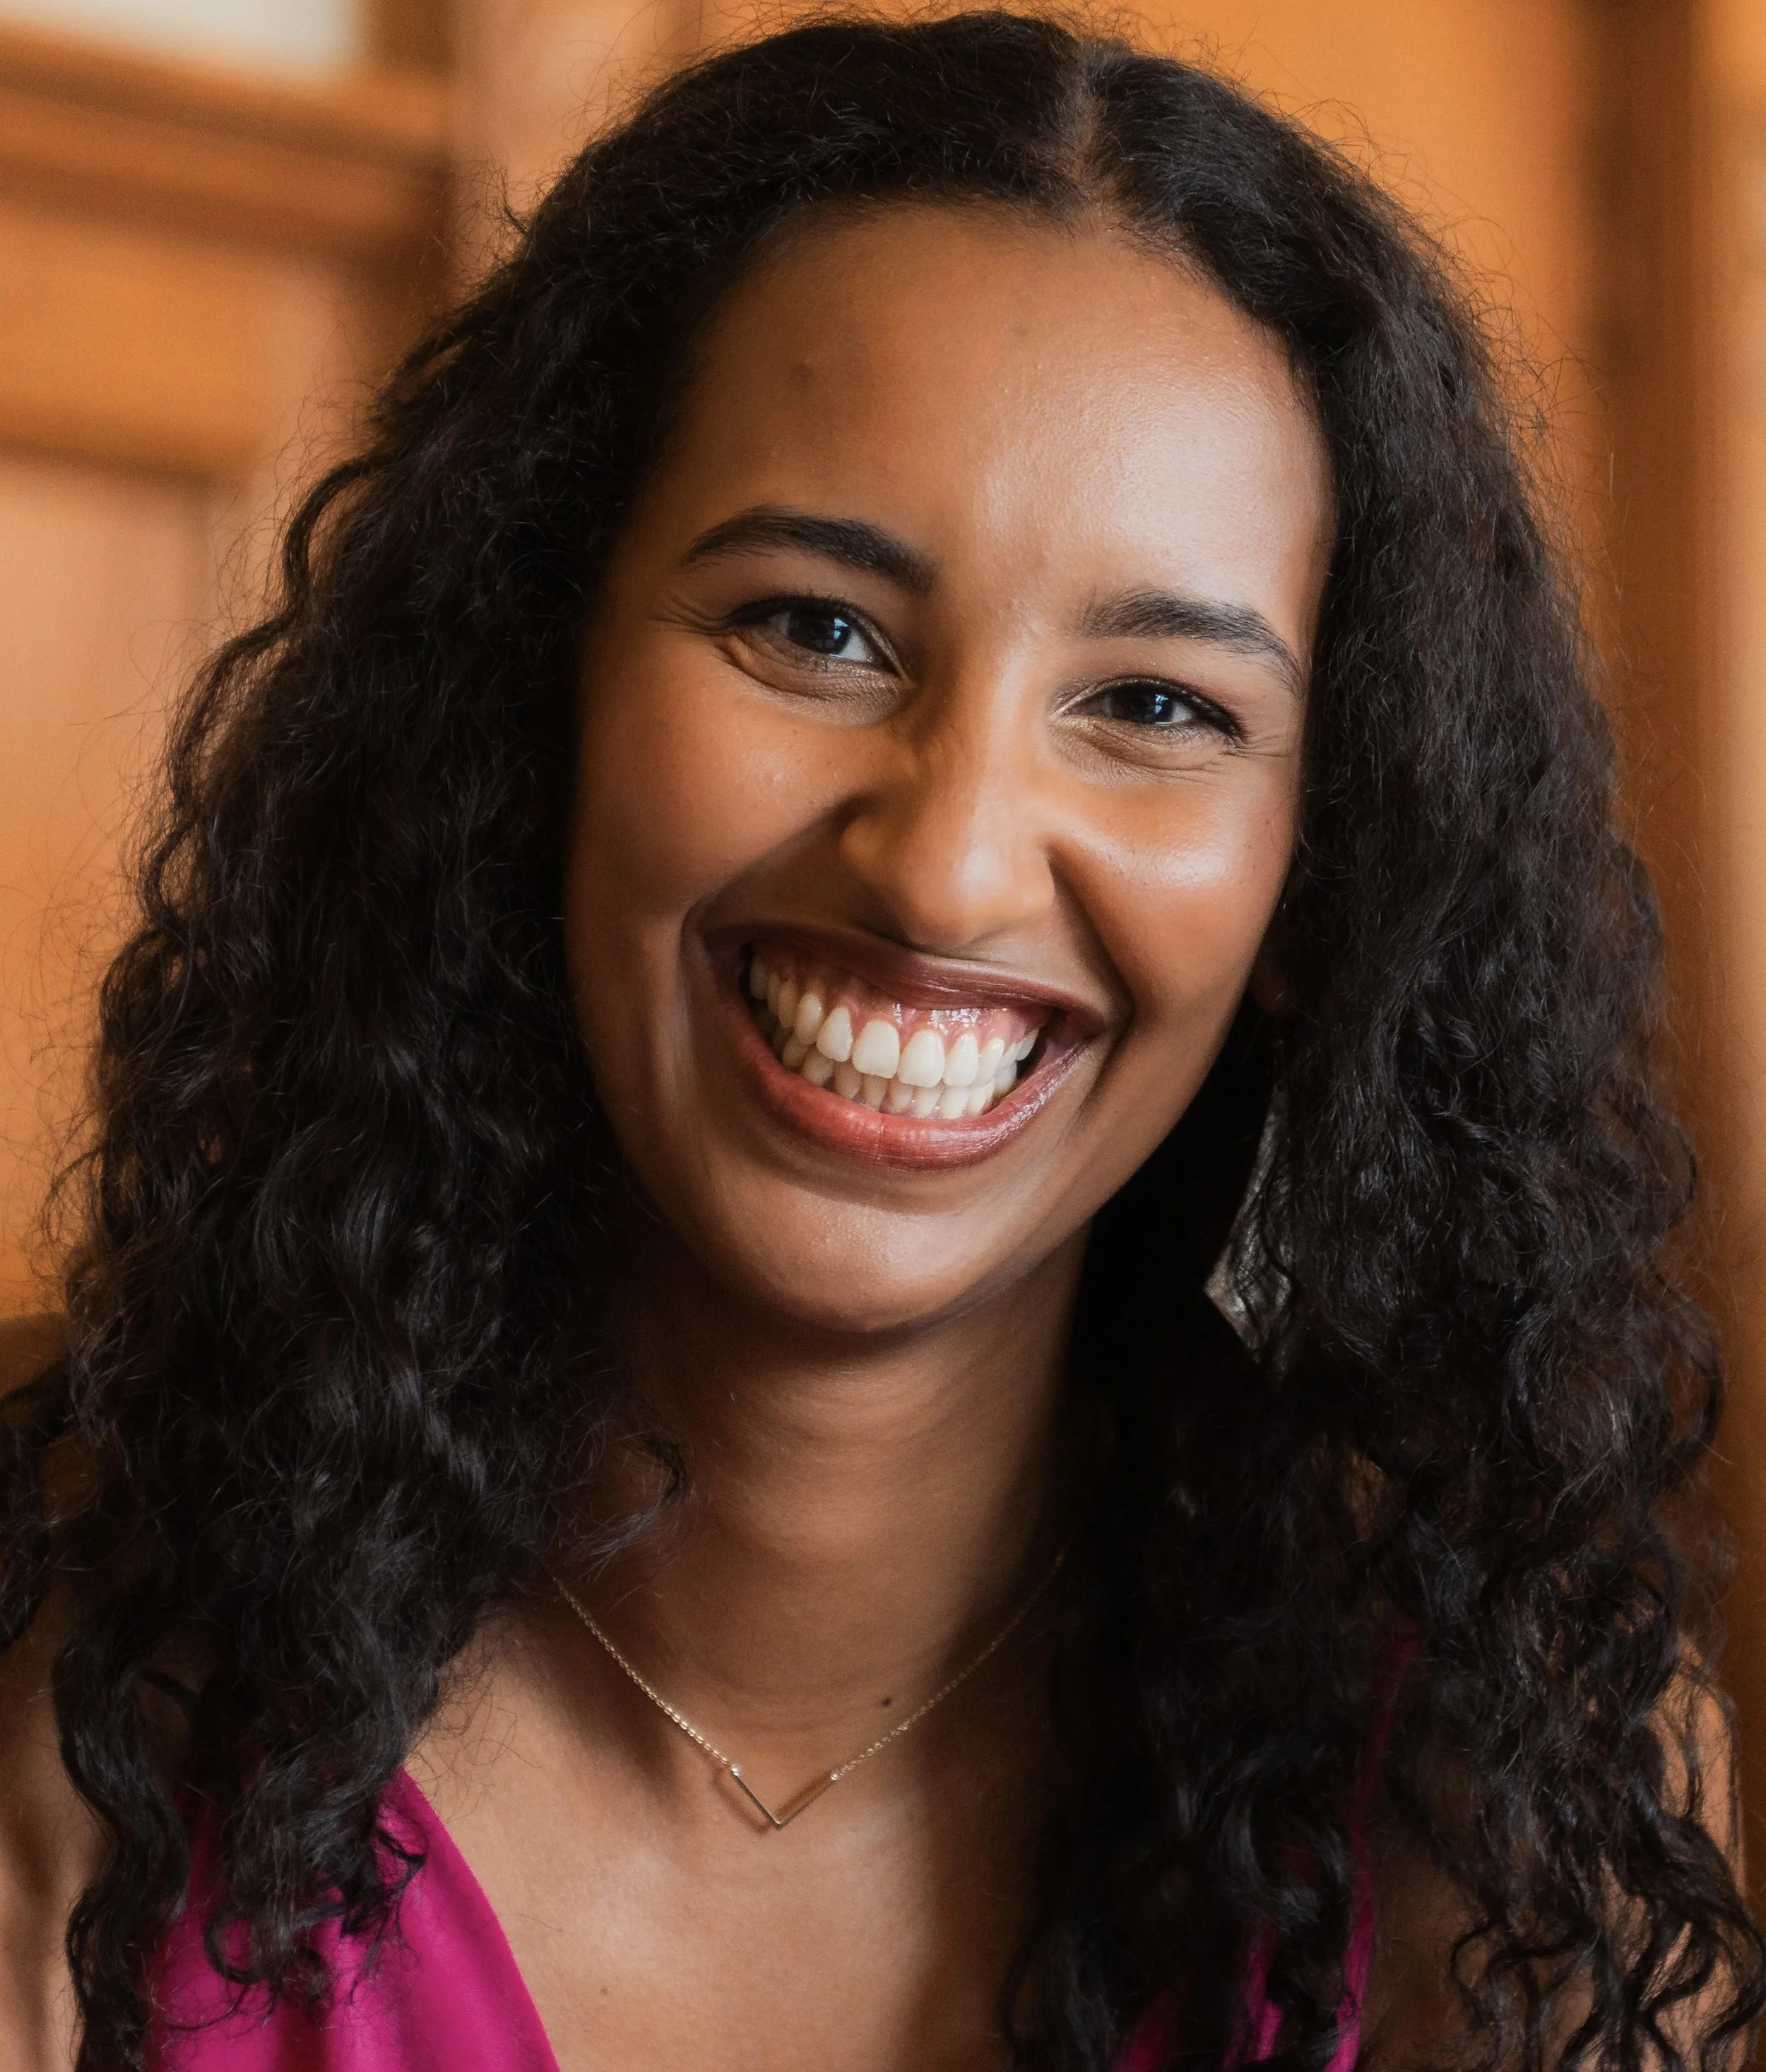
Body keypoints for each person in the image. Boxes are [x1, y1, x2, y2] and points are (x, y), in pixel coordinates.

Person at [0, 11, 1758, 2070]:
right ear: (529, 694)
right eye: (810, 628)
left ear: (1320, 877)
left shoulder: (1505, 1802)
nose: (942, 870)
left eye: (1157, 705)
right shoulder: (72, 1718)